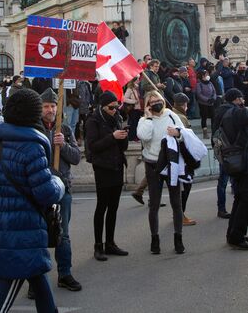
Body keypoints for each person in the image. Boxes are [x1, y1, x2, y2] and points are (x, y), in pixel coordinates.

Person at [0, 88, 64, 313]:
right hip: (24, 228)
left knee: (37, 276)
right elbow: (47, 193)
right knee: (5, 293)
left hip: (2, 224)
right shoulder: (32, 147)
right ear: (33, 115)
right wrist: (59, 183)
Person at [35, 88, 81, 292]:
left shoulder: (66, 129)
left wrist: (63, 146)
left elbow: (76, 158)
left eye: (53, 106)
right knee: (38, 234)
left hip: (63, 188)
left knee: (62, 233)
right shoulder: (34, 129)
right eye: (46, 106)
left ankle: (65, 273)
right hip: (40, 188)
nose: (50, 110)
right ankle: (36, 280)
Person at [137, 90, 185, 255]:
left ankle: (178, 238)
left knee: (176, 203)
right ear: (147, 105)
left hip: (172, 164)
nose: (156, 102)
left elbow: (183, 134)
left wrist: (178, 133)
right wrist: (149, 118)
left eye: (158, 99)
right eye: (152, 101)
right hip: (153, 166)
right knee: (154, 204)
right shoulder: (144, 120)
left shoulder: (171, 115)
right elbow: (143, 136)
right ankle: (154, 238)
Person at [86, 91, 129, 261]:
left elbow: (122, 146)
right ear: (103, 107)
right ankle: (98, 246)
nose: (114, 109)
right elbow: (93, 146)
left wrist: (123, 136)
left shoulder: (117, 118)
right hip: (102, 167)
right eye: (111, 107)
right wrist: (112, 137)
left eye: (116, 106)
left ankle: (110, 243)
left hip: (117, 165)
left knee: (113, 207)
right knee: (102, 206)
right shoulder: (93, 121)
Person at [212, 88, 245, 219]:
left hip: (222, 150)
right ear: (235, 99)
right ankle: (233, 207)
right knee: (231, 180)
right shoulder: (232, 112)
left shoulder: (221, 110)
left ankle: (222, 208)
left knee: (223, 180)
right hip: (231, 151)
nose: (242, 100)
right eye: (240, 98)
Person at [220, 106, 248, 249]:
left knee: (240, 199)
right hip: (244, 164)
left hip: (237, 163)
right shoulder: (242, 115)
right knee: (244, 202)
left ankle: (232, 234)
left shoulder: (230, 113)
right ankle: (236, 237)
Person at [172, 93, 196, 226]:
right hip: (183, 157)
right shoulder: (180, 118)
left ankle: (178, 213)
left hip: (177, 157)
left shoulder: (173, 114)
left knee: (180, 188)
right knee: (185, 187)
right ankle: (180, 215)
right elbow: (189, 139)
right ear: (184, 105)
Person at [195, 69, 217, 138]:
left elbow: (214, 92)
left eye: (208, 74)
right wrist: (207, 99)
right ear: (202, 76)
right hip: (203, 104)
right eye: (206, 75)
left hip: (211, 103)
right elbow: (199, 94)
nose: (207, 76)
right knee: (204, 117)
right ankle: (205, 133)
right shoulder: (199, 84)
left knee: (213, 117)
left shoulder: (210, 83)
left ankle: (214, 131)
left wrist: (213, 98)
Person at [123, 77, 143, 141]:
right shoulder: (130, 89)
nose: (138, 80)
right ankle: (132, 137)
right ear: (133, 81)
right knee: (133, 123)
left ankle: (135, 136)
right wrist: (133, 101)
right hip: (133, 108)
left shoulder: (138, 87)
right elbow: (124, 99)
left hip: (138, 108)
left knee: (137, 122)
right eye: (137, 80)